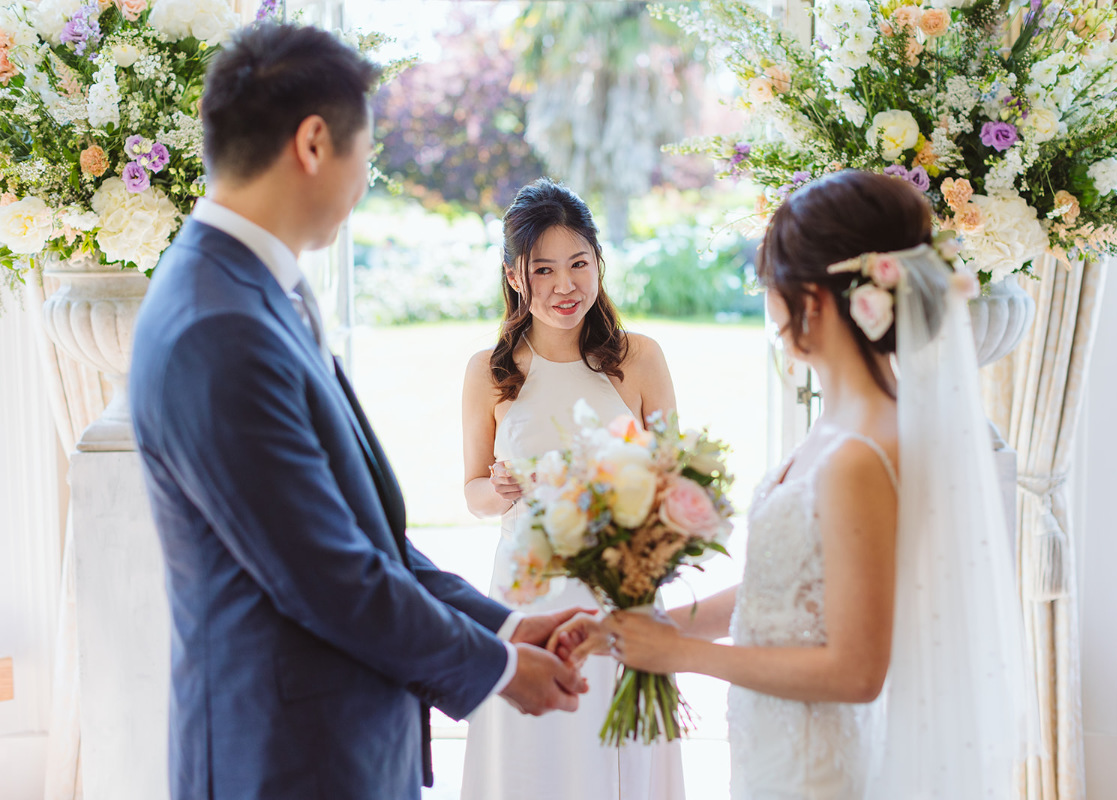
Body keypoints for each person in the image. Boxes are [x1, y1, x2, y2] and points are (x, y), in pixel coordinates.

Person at [128, 24, 587, 800]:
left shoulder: (254, 291)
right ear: (314, 142)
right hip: (283, 761)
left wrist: (502, 624)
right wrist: (498, 669)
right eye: (365, 153)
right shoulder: (218, 326)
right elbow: (328, 575)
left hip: (335, 749)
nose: (366, 175)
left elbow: (367, 534)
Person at [555, 170, 1030, 798]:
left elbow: (857, 671)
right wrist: (643, 626)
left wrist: (680, 657)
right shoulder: (838, 423)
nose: (767, 303)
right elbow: (783, 593)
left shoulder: (864, 450)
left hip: (817, 763)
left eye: (770, 285)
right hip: (774, 742)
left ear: (811, 298)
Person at [458, 178, 685, 800]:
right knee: (535, 763)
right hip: (527, 590)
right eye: (545, 269)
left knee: (619, 752)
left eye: (579, 263)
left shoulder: (639, 358)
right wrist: (501, 488)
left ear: (598, 264)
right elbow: (473, 492)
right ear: (514, 276)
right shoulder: (490, 371)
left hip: (617, 587)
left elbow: (672, 483)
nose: (566, 286)